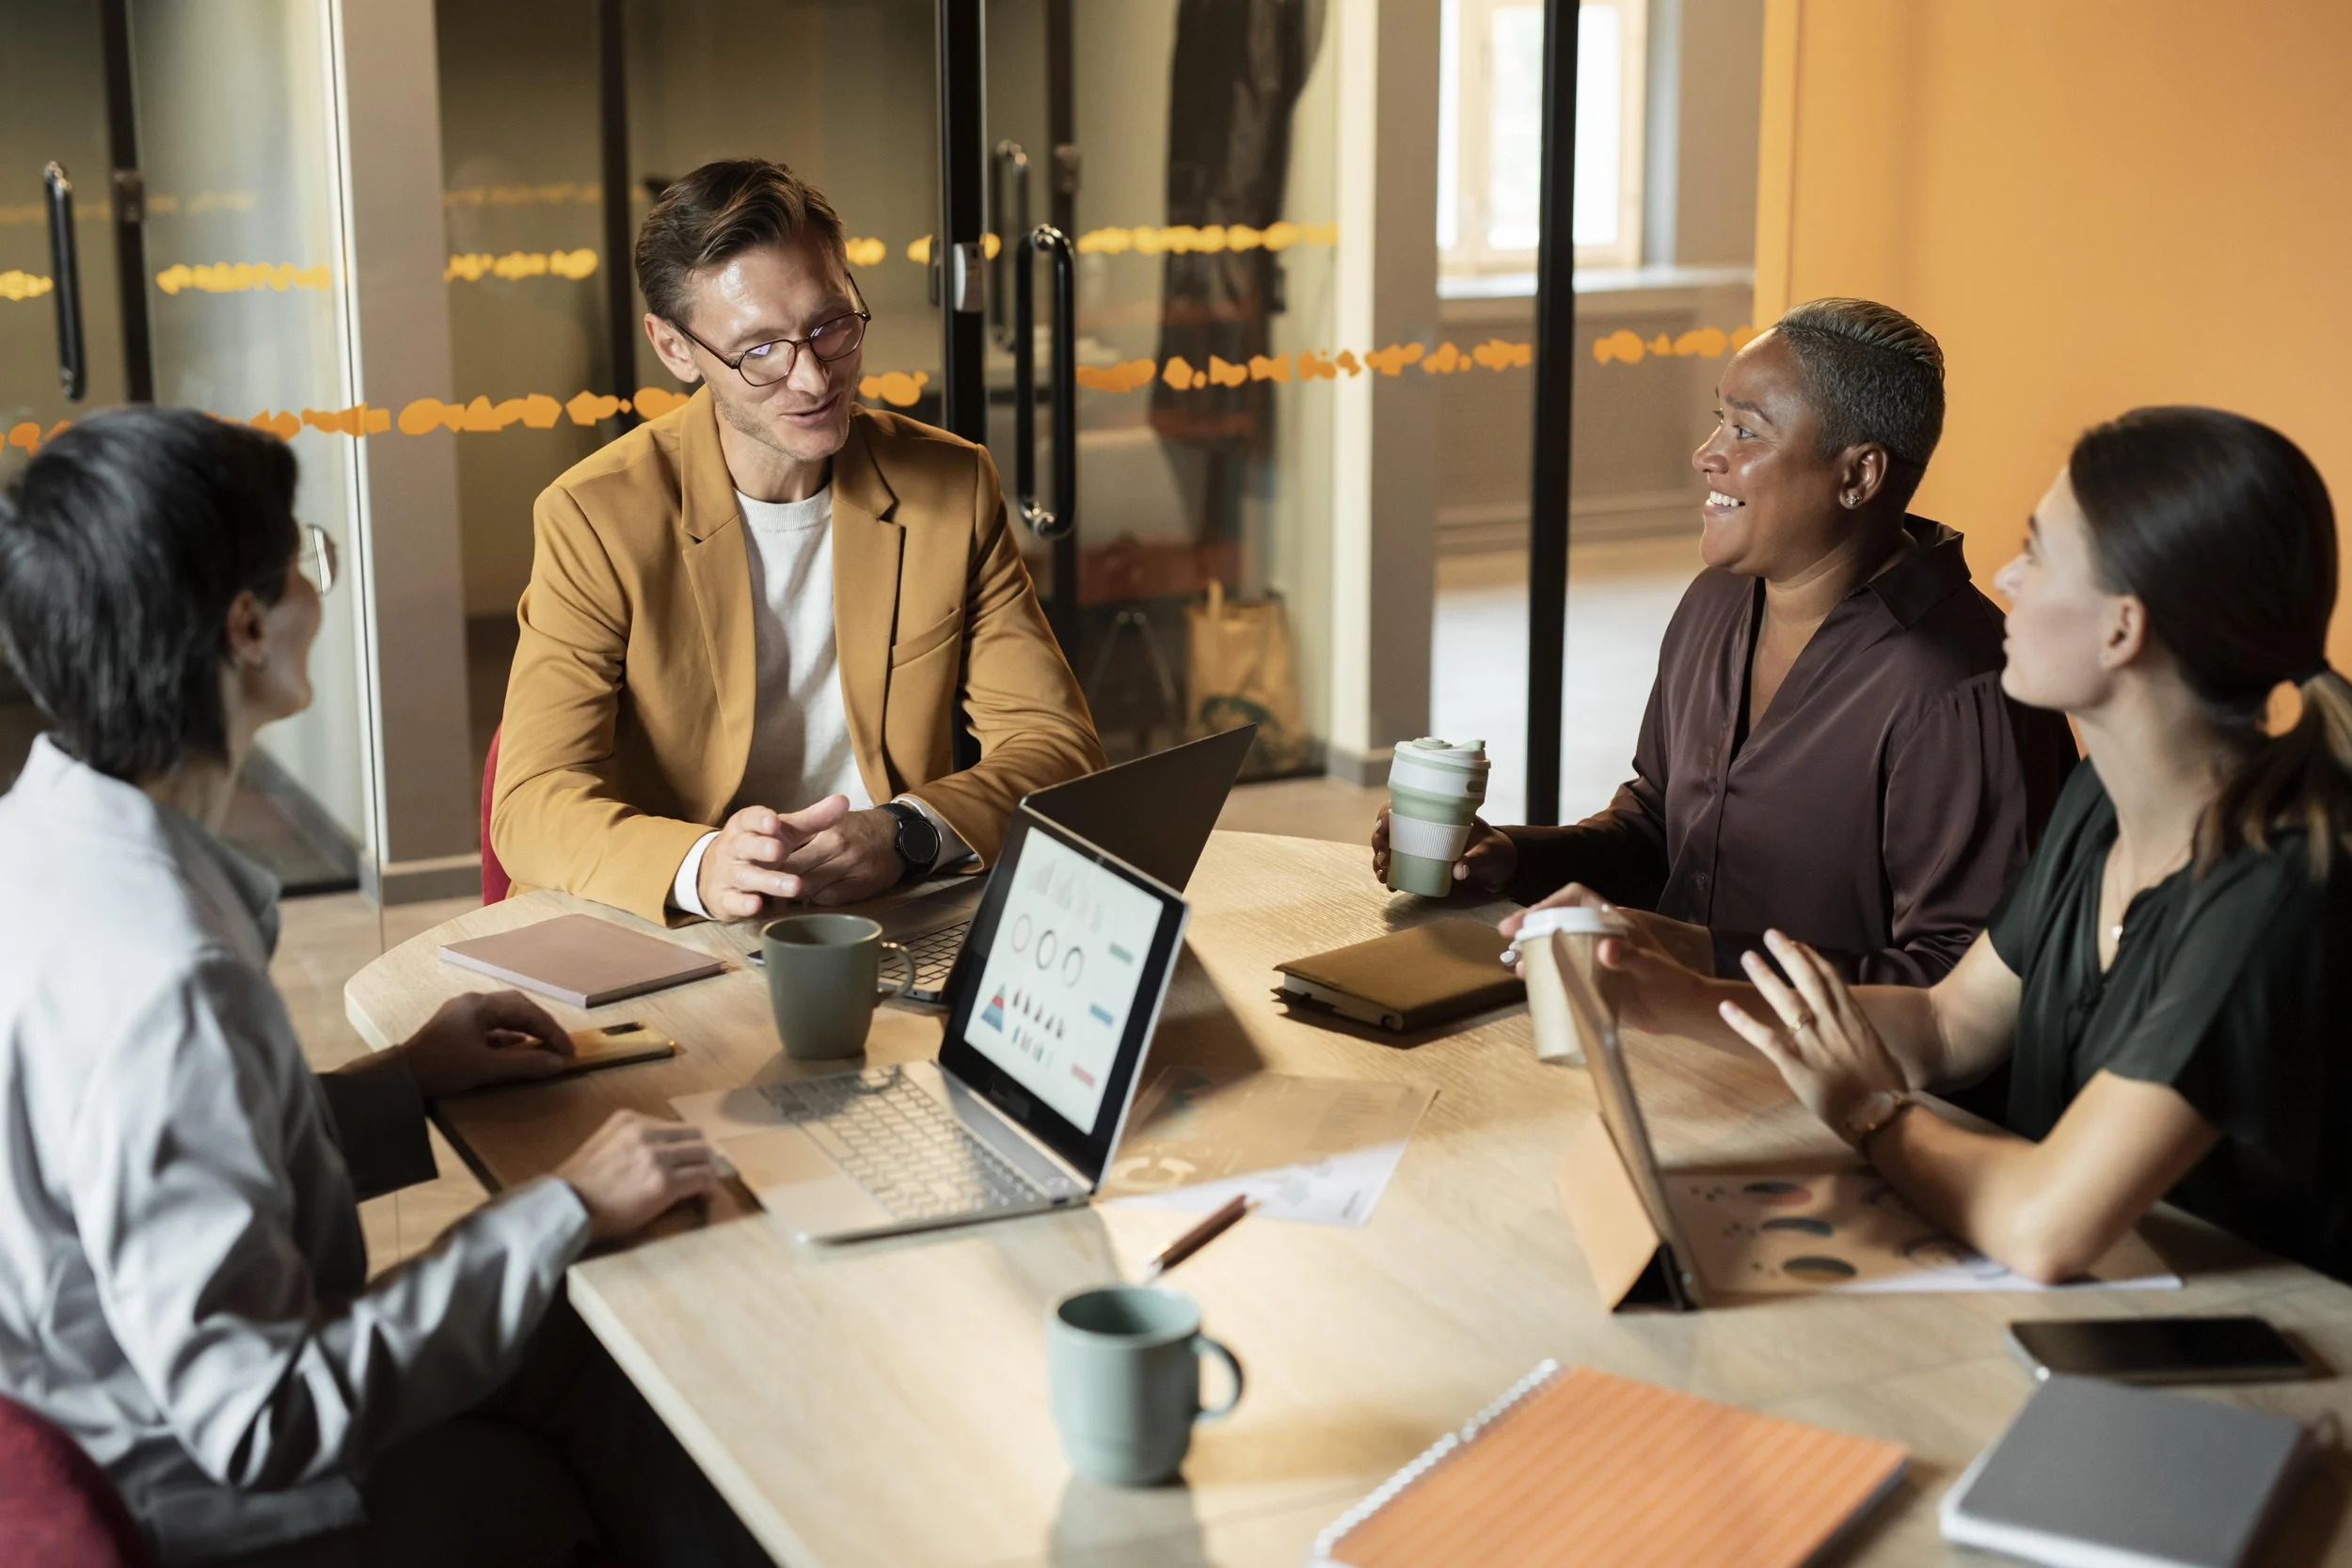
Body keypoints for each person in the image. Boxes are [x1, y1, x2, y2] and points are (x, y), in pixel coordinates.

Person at [0, 410, 765, 1566]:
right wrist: (563, 1203)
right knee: (631, 1356)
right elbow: (259, 1413)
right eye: (301, 551)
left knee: (583, 1335)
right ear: (247, 625)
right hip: (218, 1510)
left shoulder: (42, 841)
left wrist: (402, 1081)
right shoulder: (171, 975)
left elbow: (157, 1158)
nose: (319, 580)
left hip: (105, 1408)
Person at [1592, 406, 2352, 1285]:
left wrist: (1873, 1117)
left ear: (2122, 628)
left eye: (2038, 554)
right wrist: (1667, 994)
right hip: (2100, 1302)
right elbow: (1949, 1024)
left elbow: (2044, 1225)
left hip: (2260, 1354)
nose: (2005, 575)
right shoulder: (2106, 798)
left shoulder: (2274, 888)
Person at [1375, 298, 2079, 984]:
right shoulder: (1715, 603)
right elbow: (1659, 830)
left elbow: (1960, 983)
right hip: (1676, 1037)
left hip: (1838, 1092)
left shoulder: (1960, 689)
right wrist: (1513, 860)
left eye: (1746, 432)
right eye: (1719, 421)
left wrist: (1693, 956)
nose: (1706, 454)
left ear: (1859, 475)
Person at [493, 158, 1105, 927]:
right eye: (760, 352)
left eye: (832, 326)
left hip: (888, 915)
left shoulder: (953, 486)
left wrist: (906, 831)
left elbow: (1057, 747)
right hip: (678, 931)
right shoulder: (595, 518)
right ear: (676, 348)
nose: (814, 379)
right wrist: (701, 864)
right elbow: (531, 800)